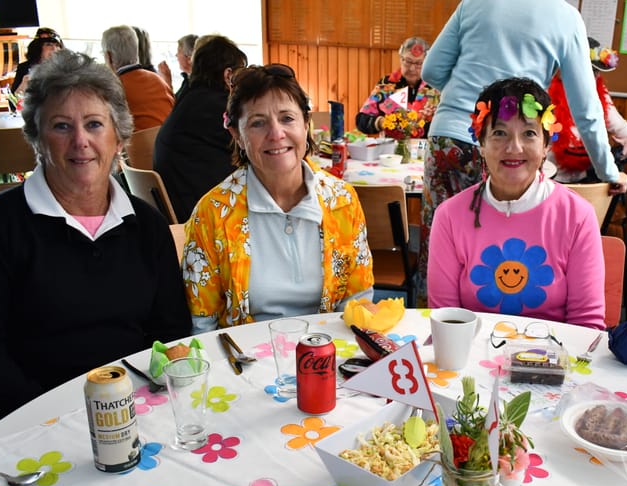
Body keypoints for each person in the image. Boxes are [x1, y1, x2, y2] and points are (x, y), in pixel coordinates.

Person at [0, 50, 191, 433]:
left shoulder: (147, 225)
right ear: (37, 138)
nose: (80, 141)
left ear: (118, 137)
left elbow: (170, 331)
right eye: (61, 126)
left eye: (94, 124)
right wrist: (54, 421)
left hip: (133, 412)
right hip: (28, 417)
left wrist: (135, 406)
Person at [416, 0, 626, 306]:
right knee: (508, 248)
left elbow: (432, 70)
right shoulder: (566, 16)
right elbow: (586, 108)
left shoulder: (474, 3)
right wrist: (608, 170)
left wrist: (469, 101)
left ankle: (437, 341)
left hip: (448, 136)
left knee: (438, 254)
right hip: (520, 141)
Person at [183, 65, 374, 332]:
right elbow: (202, 322)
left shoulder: (342, 201)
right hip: (244, 360)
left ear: (306, 125)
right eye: (258, 123)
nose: (276, 134)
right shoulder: (213, 212)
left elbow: (357, 302)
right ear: (237, 135)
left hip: (326, 353)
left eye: (287, 118)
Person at [427, 78, 605, 329]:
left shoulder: (577, 216)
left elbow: (586, 324)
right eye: (499, 133)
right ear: (481, 143)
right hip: (471, 357)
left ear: (545, 146)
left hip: (553, 360)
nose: (514, 147)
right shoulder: (449, 216)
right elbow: (445, 318)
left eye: (529, 133)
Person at [154, 34, 247, 223]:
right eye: (242, 74)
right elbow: (255, 153)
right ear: (228, 75)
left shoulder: (189, 96)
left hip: (180, 202)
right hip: (202, 213)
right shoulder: (219, 107)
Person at [548, 38, 627, 183]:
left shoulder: (600, 95)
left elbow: (621, 127)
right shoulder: (547, 93)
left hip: (587, 179)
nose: (593, 77)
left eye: (596, 72)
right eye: (588, 71)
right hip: (552, 177)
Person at [355, 37, 440, 139]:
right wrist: (381, 122)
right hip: (391, 151)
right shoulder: (386, 85)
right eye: (408, 61)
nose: (412, 68)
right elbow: (361, 120)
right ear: (401, 58)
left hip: (426, 150)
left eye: (418, 63)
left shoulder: (436, 86)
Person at [101, 25, 174, 131]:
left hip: (135, 147)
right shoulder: (159, 81)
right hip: (168, 144)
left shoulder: (112, 88)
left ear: (109, 57)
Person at [10, 30, 63, 95]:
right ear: (37, 48)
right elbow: (13, 101)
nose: (54, 49)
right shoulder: (24, 68)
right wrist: (23, 86)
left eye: (57, 45)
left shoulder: (66, 68)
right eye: (48, 45)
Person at [157, 33, 198, 101]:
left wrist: (167, 81)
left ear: (189, 58)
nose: (176, 55)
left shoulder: (194, 84)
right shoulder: (188, 79)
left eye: (179, 51)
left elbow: (175, 107)